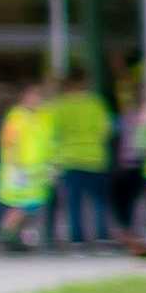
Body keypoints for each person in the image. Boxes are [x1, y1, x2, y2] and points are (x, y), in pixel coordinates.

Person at [44, 72, 112, 249]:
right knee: (99, 202)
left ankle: (77, 240)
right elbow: (106, 129)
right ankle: (102, 237)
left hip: (70, 159)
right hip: (95, 158)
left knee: (74, 203)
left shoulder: (60, 106)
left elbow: (52, 132)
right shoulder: (96, 104)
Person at [0, 79, 48, 254]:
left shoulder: (36, 117)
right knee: (20, 205)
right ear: (25, 97)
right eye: (35, 96)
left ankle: (15, 237)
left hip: (33, 170)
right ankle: (6, 234)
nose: (38, 99)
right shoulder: (17, 117)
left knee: (29, 205)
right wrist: (15, 165)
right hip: (20, 169)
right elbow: (9, 142)